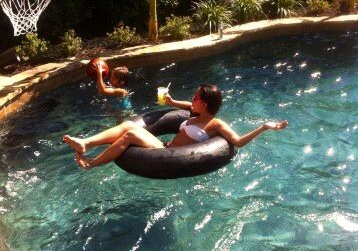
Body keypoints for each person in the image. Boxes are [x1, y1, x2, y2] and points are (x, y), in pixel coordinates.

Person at [63, 84, 288, 170]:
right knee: (126, 126)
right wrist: (171, 103)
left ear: (205, 103)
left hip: (166, 155)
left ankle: (92, 163)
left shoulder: (215, 124)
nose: (193, 98)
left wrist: (264, 127)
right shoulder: (194, 113)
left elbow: (237, 142)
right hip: (164, 146)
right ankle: (86, 142)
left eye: (196, 96)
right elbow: (187, 106)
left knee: (129, 134)